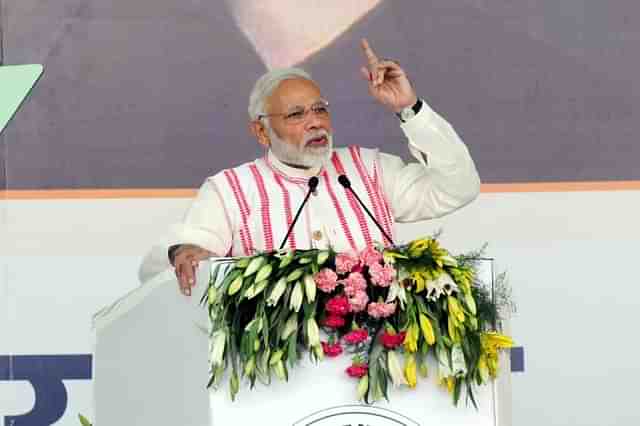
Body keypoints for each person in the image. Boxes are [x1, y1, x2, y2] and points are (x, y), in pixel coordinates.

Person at [140, 39, 480, 296]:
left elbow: (458, 188)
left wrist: (410, 109)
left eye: (320, 110)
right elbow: (168, 262)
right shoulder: (231, 190)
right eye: (296, 114)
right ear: (261, 131)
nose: (315, 123)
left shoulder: (368, 168)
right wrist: (182, 252)